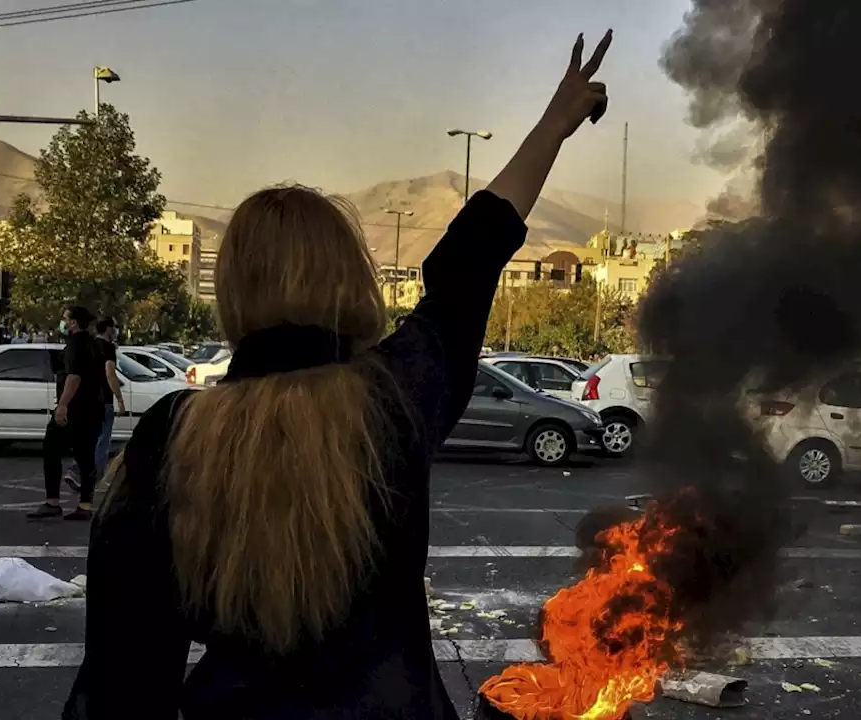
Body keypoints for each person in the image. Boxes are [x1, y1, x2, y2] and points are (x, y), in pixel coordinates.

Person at [63, 30, 612, 720]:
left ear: (234, 291)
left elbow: (122, 680)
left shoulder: (171, 436)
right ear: (350, 277)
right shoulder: (393, 398)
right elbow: (467, 265)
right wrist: (553, 127)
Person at [27, 306, 106, 521]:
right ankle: (85, 505)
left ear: (73, 323)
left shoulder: (75, 345)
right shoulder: (94, 344)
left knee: (51, 449)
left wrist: (62, 406)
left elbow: (74, 377)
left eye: (65, 319)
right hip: (94, 408)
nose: (62, 322)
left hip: (76, 408)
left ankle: (53, 502)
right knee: (86, 456)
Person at [64, 318, 125, 491]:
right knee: (102, 441)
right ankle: (92, 479)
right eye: (113, 328)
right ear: (107, 329)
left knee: (88, 439)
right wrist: (119, 399)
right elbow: (109, 372)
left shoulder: (89, 344)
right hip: (103, 400)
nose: (115, 331)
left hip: (86, 399)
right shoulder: (107, 348)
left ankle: (76, 470)